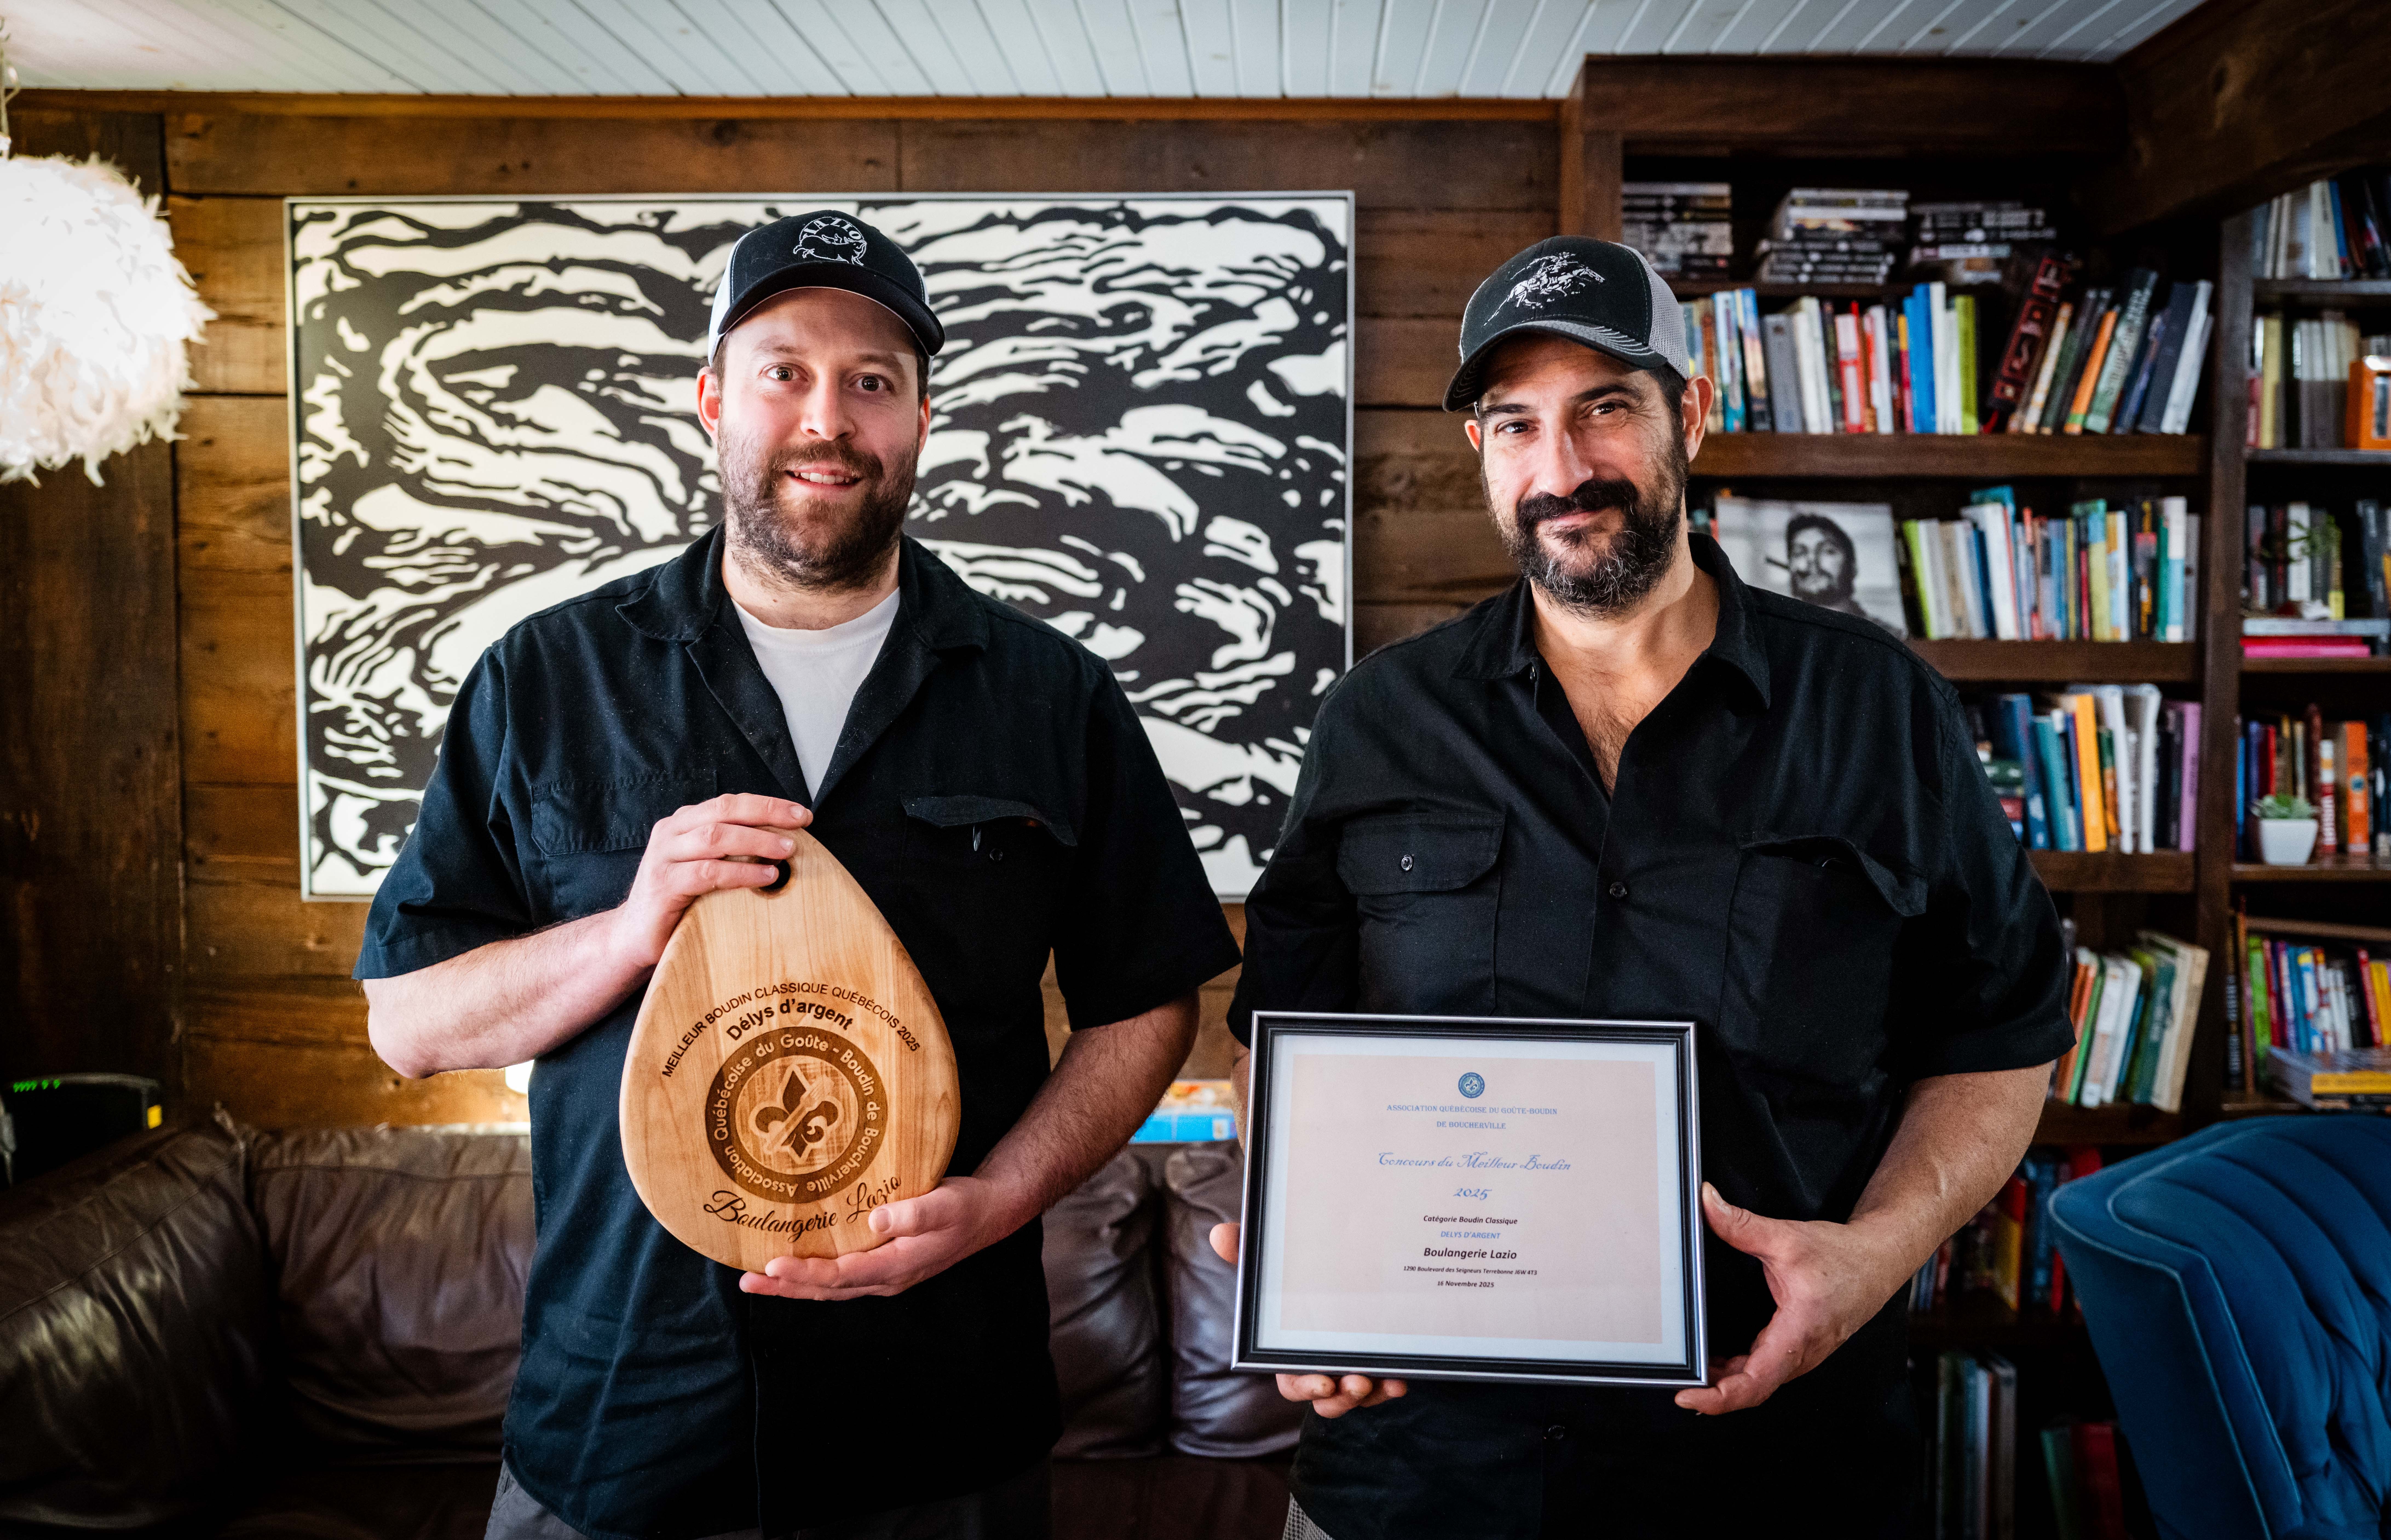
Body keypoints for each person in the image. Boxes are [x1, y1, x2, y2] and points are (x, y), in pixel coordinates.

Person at [356, 210, 1240, 1540]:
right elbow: (408, 1022)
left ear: (921, 418)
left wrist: (1001, 1200)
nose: (827, 417)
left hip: (943, 1427)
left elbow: (1147, 1004)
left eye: (871, 381)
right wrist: (625, 930)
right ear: (714, 399)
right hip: (620, 1429)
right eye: (783, 372)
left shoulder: (1050, 697)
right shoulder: (545, 682)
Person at [1211, 237, 2069, 1538]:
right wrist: (1304, 1263)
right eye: (1515, 424)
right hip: (1421, 1473)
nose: (1560, 471)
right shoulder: (1377, 718)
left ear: (1691, 410)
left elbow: (2001, 1029)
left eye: (1604, 407)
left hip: (1767, 1464)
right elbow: (1280, 1036)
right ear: (1479, 452)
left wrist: (1875, 1250)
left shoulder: (1872, 704)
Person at [1785, 510, 1875, 621]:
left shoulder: (1889, 636)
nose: (1812, 560)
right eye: (1799, 553)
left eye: (1828, 551)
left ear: (1853, 567)